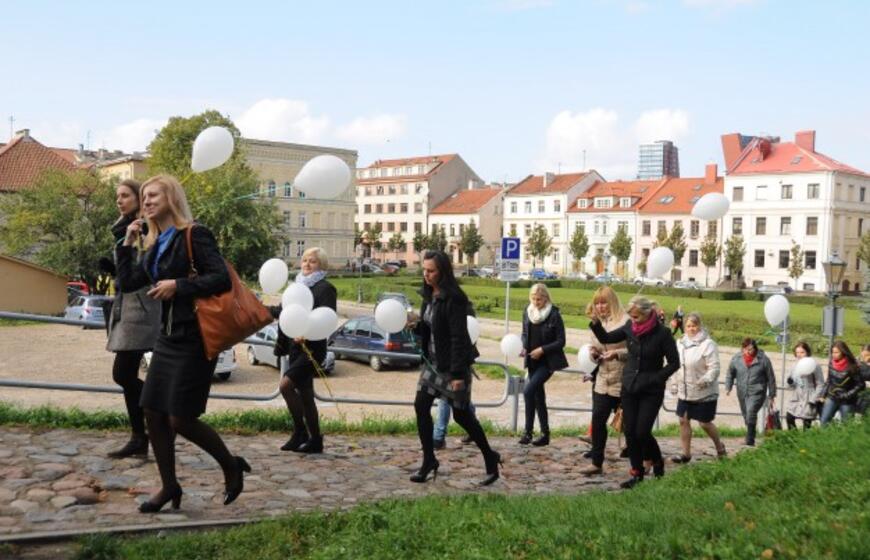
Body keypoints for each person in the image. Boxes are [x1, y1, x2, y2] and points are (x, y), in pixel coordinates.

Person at [116, 175, 249, 513]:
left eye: (153, 195)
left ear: (172, 197)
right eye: (143, 196)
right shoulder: (155, 244)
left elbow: (219, 277)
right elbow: (129, 282)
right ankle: (169, 485)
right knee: (152, 411)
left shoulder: (194, 234)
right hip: (167, 338)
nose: (146, 201)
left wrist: (178, 285)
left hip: (195, 337)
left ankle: (230, 465)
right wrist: (127, 245)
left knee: (180, 419)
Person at [408, 250, 501, 486]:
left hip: (453, 366)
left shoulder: (455, 298)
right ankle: (429, 460)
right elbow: (431, 329)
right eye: (424, 270)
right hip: (433, 364)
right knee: (420, 405)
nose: (426, 275)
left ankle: (490, 457)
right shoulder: (428, 295)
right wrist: (416, 327)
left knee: (462, 416)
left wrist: (459, 374)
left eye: (431, 271)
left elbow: (459, 337)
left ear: (443, 272)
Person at [590, 296, 679, 489]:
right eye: (631, 315)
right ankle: (636, 473)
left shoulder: (663, 334)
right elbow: (606, 338)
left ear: (648, 314)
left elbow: (674, 363)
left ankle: (657, 460)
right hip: (630, 386)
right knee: (630, 432)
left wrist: (657, 377)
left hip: (651, 389)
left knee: (642, 431)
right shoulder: (630, 327)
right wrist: (595, 322)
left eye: (637, 316)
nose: (633, 319)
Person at [105, 179, 161, 459]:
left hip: (143, 307)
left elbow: (142, 271)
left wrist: (126, 244)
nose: (119, 200)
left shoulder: (147, 229)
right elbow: (125, 270)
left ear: (140, 198)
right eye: (118, 196)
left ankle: (156, 417)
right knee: (126, 375)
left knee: (123, 373)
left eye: (125, 195)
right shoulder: (127, 228)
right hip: (129, 306)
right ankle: (140, 436)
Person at [270, 247, 337, 453]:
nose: (307, 264)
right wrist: (260, 308)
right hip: (295, 348)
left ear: (321, 265)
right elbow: (283, 312)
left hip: (313, 350)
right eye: (305, 260)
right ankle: (315, 440)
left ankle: (300, 432)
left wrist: (306, 331)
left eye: (313, 261)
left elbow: (328, 317)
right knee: (306, 395)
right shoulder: (297, 286)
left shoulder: (326, 288)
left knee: (285, 386)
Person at [579, 286, 627, 476]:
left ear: (612, 302)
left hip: (623, 380)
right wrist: (593, 353)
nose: (600, 306)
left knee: (629, 425)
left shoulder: (625, 321)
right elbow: (595, 345)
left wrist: (617, 354)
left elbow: (636, 351)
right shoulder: (596, 323)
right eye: (597, 303)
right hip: (602, 380)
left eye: (603, 302)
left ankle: (643, 461)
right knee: (598, 421)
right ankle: (596, 463)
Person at [669, 313, 726, 462]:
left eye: (694, 326)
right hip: (685, 391)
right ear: (685, 327)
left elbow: (715, 367)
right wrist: (674, 383)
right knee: (683, 420)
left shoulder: (708, 344)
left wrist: (706, 380)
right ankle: (686, 454)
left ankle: (720, 447)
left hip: (704, 391)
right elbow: (676, 366)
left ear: (699, 326)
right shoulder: (679, 343)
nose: (691, 329)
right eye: (688, 326)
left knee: (704, 423)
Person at [519, 283, 568, 447]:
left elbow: (561, 341)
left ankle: (529, 431)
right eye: (533, 298)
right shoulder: (527, 311)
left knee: (528, 391)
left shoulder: (554, 314)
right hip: (532, 361)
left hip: (547, 362)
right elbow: (525, 333)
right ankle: (540, 434)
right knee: (539, 397)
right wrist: (524, 346)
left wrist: (543, 350)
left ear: (546, 298)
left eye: (539, 299)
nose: (536, 302)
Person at [725, 339, 776, 446]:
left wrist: (772, 394)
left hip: (757, 391)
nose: (748, 351)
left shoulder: (763, 360)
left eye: (750, 349)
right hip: (742, 391)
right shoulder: (736, 358)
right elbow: (730, 373)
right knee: (746, 414)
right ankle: (750, 434)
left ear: (755, 348)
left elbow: (771, 377)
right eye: (745, 349)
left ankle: (750, 440)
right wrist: (728, 387)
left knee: (751, 411)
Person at [819, 341, 864, 425]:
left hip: (847, 401)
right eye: (832, 352)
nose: (833, 354)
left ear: (843, 352)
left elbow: (861, 385)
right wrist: (822, 394)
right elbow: (829, 380)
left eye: (836, 352)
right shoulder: (831, 363)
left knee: (846, 425)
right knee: (823, 422)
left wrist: (847, 395)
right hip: (832, 397)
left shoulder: (852, 366)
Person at [785, 342, 825, 430]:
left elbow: (821, 383)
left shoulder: (815, 365)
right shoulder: (794, 365)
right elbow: (790, 384)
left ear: (807, 352)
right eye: (797, 352)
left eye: (802, 352)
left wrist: (814, 398)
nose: (799, 355)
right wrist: (790, 382)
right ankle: (793, 439)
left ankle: (803, 442)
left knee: (806, 423)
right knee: (789, 417)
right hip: (796, 396)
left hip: (809, 396)